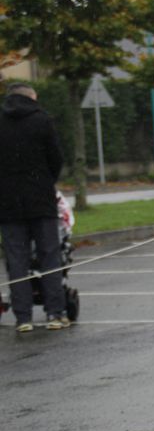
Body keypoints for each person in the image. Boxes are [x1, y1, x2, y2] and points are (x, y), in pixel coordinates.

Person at [0, 83, 69, 332]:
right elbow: (56, 157)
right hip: (40, 198)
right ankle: (55, 312)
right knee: (49, 254)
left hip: (7, 202)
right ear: (32, 97)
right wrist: (46, 182)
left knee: (16, 259)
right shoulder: (42, 120)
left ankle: (23, 317)